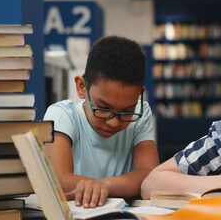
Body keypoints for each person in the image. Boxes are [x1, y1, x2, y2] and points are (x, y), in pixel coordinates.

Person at [44, 36, 159, 208]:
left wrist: (103, 186)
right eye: (103, 108)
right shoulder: (62, 115)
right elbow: (58, 179)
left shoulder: (141, 114)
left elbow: (149, 177)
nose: (113, 122)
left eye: (127, 111)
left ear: (140, 95)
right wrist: (121, 186)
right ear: (82, 87)